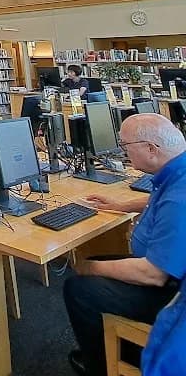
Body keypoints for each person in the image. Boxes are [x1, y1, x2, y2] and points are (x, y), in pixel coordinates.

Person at [64, 114, 186, 376]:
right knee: (102, 260)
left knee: (78, 288)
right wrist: (122, 206)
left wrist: (89, 268)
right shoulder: (178, 170)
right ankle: (108, 345)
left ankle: (101, 365)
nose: (123, 153)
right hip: (169, 273)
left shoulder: (180, 199)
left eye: (125, 146)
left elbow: (152, 274)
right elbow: (160, 200)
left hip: (169, 292)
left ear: (151, 149)